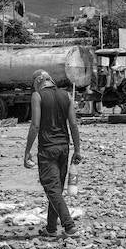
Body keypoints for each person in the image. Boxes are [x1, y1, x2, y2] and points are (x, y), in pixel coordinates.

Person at [24, 70, 83, 238]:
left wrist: (27, 151)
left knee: (52, 190)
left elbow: (35, 125)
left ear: (38, 82)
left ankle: (69, 226)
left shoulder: (38, 96)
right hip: (64, 149)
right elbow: (73, 124)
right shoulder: (66, 96)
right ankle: (51, 228)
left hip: (47, 150)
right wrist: (77, 149)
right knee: (55, 189)